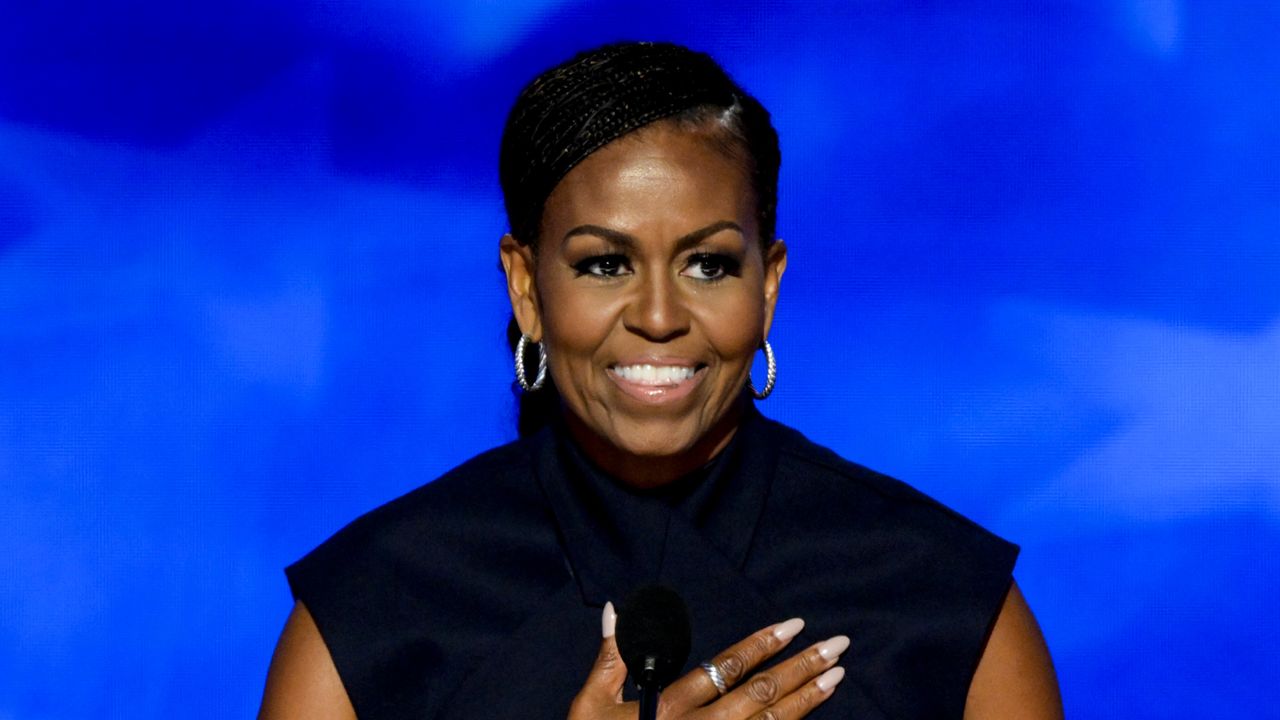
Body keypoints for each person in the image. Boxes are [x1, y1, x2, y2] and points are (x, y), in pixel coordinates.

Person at [258, 41, 1063, 719]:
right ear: (528, 289)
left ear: (769, 285)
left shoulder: (947, 605)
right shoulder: (370, 612)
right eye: (604, 264)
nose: (657, 315)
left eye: (708, 264)